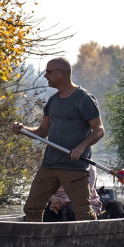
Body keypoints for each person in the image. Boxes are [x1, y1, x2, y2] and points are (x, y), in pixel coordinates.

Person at [12, 57, 105, 221]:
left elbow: (99, 130)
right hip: (49, 165)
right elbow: (41, 131)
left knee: (83, 213)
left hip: (74, 167)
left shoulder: (84, 99)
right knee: (32, 208)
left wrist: (81, 147)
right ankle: (38, 244)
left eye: (48, 72)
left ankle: (89, 244)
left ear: (60, 73)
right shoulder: (52, 101)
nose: (45, 76)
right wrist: (23, 130)